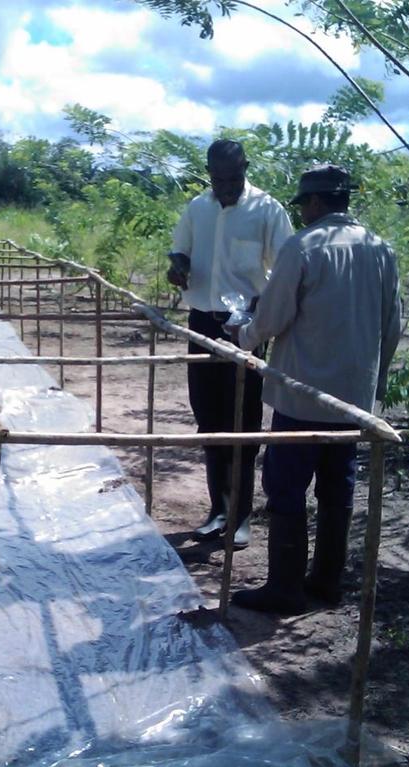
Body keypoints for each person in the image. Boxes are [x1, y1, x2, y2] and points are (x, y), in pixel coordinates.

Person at [230, 164, 402, 614]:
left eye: (305, 204)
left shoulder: (303, 246)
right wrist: (373, 384)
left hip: (302, 396)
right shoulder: (379, 248)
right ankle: (326, 582)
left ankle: (285, 589)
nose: (304, 212)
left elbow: (271, 319)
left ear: (317, 203)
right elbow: (392, 324)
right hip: (351, 400)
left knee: (286, 486)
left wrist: (243, 337)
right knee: (336, 486)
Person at [167, 139, 294, 548]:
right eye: (218, 179)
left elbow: (286, 266)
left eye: (233, 178)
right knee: (208, 419)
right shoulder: (197, 209)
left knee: (243, 421)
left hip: (244, 327)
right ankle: (217, 508)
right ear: (208, 173)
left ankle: (241, 515)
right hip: (203, 322)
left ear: (245, 169)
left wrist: (264, 308)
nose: (226, 188)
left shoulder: (267, 210)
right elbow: (179, 252)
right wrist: (179, 268)